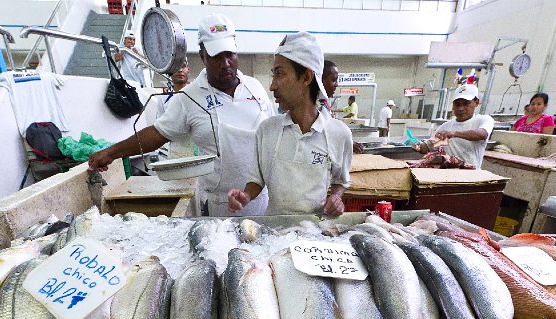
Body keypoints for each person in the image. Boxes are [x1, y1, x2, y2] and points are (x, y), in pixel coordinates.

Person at [88, 14, 274, 216]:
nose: (226, 63)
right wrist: (111, 153)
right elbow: (157, 134)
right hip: (220, 207)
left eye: (230, 54)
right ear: (202, 55)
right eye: (217, 56)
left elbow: (272, 136)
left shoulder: (255, 89)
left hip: (260, 199)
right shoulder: (189, 97)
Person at [227, 32, 352, 217]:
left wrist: (336, 197)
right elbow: (256, 180)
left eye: (280, 74)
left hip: (315, 231)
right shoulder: (267, 130)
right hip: (274, 231)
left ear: (307, 77)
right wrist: (246, 196)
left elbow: (341, 181)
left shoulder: (339, 134)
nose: (272, 86)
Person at [413, 84, 493, 168]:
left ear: (476, 103)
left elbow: (482, 134)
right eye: (457, 104)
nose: (461, 108)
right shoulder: (445, 127)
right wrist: (418, 146)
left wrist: (454, 134)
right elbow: (428, 147)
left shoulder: (483, 120)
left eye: (466, 104)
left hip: (471, 176)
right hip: (448, 175)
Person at [155, 57, 196, 158]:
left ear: (188, 70)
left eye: (183, 66)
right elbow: (160, 128)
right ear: (169, 71)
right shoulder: (163, 99)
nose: (180, 70)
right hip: (175, 151)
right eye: (176, 67)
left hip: (197, 149)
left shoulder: (197, 94)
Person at [321, 59, 363, 154]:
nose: (337, 84)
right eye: (333, 80)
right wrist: (345, 142)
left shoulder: (324, 102)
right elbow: (324, 133)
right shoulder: (314, 105)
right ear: (320, 81)